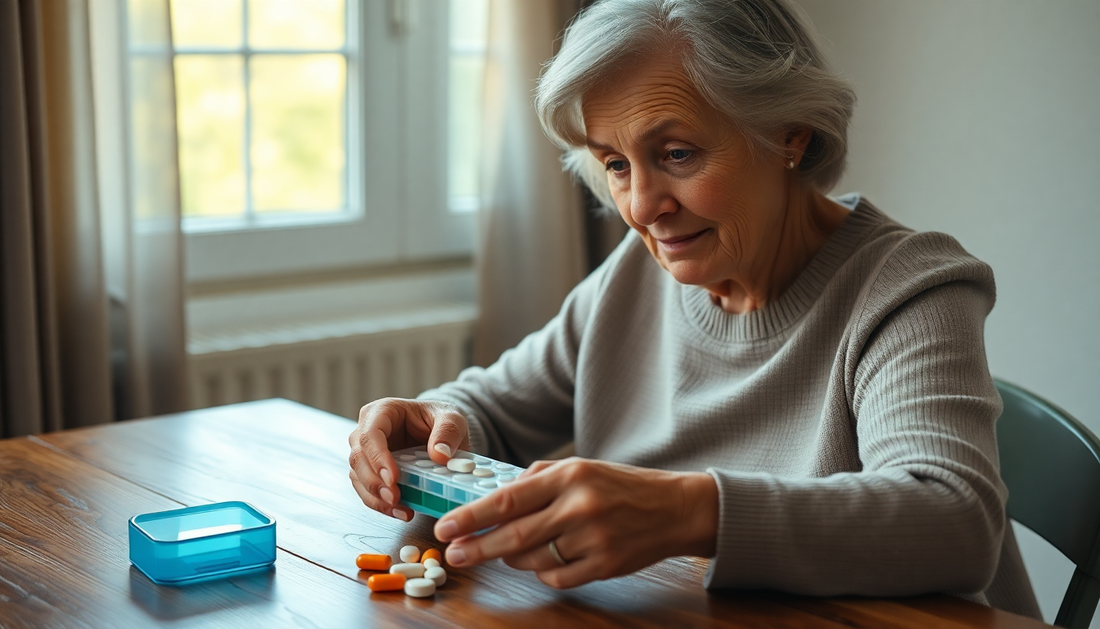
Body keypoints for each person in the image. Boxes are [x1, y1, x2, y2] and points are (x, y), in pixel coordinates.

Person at [348, 0, 1040, 618]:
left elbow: (953, 518)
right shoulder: (638, 273)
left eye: (676, 153)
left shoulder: (911, 288)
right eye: (616, 163)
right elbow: (493, 408)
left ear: (788, 135)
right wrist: (428, 420)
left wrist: (686, 508)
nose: (643, 207)